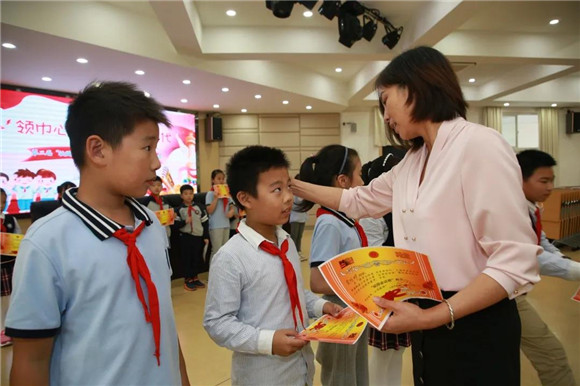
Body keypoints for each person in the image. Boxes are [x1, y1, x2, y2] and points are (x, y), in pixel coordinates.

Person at [290, 46, 541, 386]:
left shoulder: (479, 145)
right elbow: (360, 199)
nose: (385, 115)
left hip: (473, 319)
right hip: (425, 313)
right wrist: (294, 186)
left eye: (385, 100)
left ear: (414, 88)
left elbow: (514, 260)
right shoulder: (414, 159)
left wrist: (432, 317)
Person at [5, 81, 189, 385]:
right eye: (146, 147)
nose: (157, 162)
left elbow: (165, 323)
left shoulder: (151, 225)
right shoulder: (47, 243)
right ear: (97, 150)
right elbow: (31, 360)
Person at [203, 145, 342, 386]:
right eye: (276, 189)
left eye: (288, 186)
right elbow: (217, 323)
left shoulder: (285, 241)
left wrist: (321, 306)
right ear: (245, 199)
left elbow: (292, 292)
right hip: (264, 376)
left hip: (301, 369)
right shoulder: (231, 257)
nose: (288, 197)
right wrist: (267, 341)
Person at [298, 144, 369, 386]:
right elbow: (317, 281)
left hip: (355, 307)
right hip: (339, 312)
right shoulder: (329, 223)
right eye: (359, 173)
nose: (363, 180)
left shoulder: (345, 220)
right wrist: (362, 278)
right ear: (342, 181)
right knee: (341, 378)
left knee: (356, 374)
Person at [516, 149, 578, 386]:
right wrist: (575, 270)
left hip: (517, 291)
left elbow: (540, 242)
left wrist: (565, 260)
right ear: (519, 178)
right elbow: (530, 257)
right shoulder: (513, 210)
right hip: (507, 296)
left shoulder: (532, 207)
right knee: (553, 357)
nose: (550, 186)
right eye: (543, 181)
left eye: (552, 180)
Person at [359, 154, 411, 386]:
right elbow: (373, 253)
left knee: (396, 349)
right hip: (383, 287)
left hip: (402, 284)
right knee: (383, 351)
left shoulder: (399, 206)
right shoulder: (373, 213)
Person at [175, 184, 209, 291]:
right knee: (187, 258)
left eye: (191, 193)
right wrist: (184, 222)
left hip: (198, 237)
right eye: (186, 194)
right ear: (181, 196)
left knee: (196, 258)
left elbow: (205, 223)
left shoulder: (199, 207)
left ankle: (195, 277)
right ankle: (188, 279)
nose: (189, 196)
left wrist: (205, 236)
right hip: (185, 237)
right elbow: (175, 224)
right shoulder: (179, 209)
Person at [0, 188, 22, 347]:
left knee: (7, 298)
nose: (1, 205)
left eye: (3, 201)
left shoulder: (10, 219)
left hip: (7, 265)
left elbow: (18, 238)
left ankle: (6, 329)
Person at [205, 169, 235, 261]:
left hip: (226, 224)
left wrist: (231, 211)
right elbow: (209, 210)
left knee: (225, 250)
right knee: (216, 250)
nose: (221, 181)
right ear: (213, 180)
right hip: (215, 226)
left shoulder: (226, 194)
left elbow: (231, 206)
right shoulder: (210, 194)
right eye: (218, 178)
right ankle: (213, 273)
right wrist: (216, 198)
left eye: (223, 179)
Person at [145, 176, 172, 241]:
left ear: (162, 187)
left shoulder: (165, 200)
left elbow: (170, 214)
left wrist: (173, 215)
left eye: (159, 185)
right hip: (153, 233)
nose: (156, 187)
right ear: (149, 187)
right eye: (153, 186)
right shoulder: (146, 201)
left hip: (165, 231)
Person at [289, 174, 308, 261]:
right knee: (294, 236)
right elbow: (293, 206)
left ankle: (299, 251)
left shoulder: (303, 193)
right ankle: (293, 252)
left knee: (299, 236)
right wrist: (302, 207)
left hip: (302, 217)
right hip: (295, 218)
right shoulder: (292, 193)